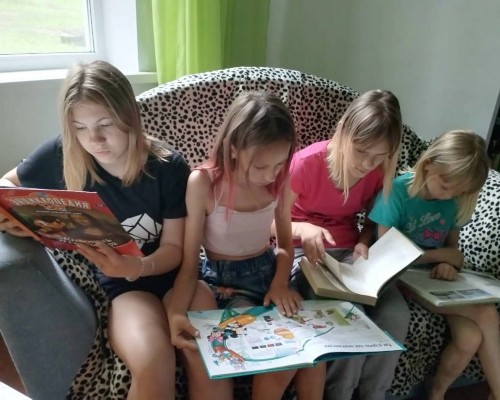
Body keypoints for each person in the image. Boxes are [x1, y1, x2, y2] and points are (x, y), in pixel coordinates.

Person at [0, 60, 231, 400]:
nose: (93, 139)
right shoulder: (63, 154)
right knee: (153, 363)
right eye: (80, 127)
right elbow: (7, 184)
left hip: (176, 277)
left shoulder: (168, 167)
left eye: (105, 124)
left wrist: (137, 266)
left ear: (129, 116)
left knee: (212, 360)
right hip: (123, 289)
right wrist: (16, 217)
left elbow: (175, 250)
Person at [167, 91, 325, 400]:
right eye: (261, 166)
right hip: (222, 281)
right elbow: (189, 263)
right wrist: (175, 312)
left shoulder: (279, 180)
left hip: (269, 274)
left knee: (313, 357)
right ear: (233, 148)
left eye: (279, 164)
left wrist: (280, 283)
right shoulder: (203, 183)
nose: (270, 175)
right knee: (278, 352)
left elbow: (284, 247)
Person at [287, 89, 408, 400]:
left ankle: (373, 394)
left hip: (349, 255)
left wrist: (365, 242)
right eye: (361, 151)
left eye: (379, 156)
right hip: (304, 254)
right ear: (342, 131)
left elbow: (371, 219)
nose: (367, 163)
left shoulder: (378, 171)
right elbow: (268, 222)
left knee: (396, 315)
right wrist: (304, 228)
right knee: (350, 317)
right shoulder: (307, 163)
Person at [369, 130, 500, 400]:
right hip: (398, 277)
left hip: (432, 283)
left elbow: (453, 251)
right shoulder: (397, 192)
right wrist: (440, 256)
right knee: (486, 313)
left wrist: (449, 264)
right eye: (445, 185)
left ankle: (436, 393)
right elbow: (386, 251)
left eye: (458, 191)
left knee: (469, 338)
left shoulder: (451, 202)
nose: (448, 195)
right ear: (428, 164)